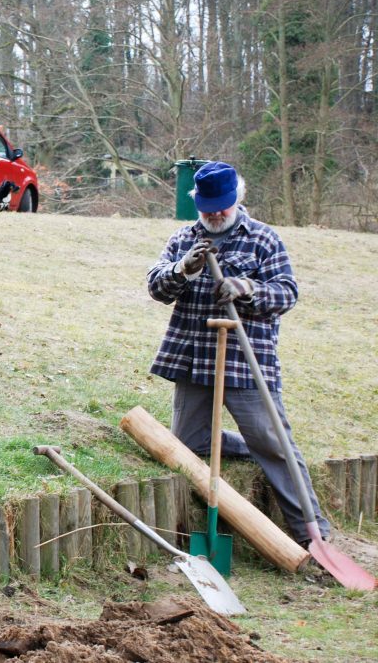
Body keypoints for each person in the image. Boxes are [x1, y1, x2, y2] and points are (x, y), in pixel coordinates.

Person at [147, 161, 330, 548]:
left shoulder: (263, 239)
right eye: (207, 206)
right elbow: (157, 289)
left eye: (222, 206)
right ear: (196, 202)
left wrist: (248, 287)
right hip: (193, 357)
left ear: (238, 198)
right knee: (186, 447)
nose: (214, 214)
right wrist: (184, 269)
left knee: (276, 447)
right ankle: (250, 445)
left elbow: (287, 293)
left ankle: (313, 536)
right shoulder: (184, 239)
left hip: (247, 362)